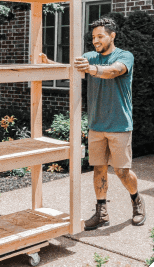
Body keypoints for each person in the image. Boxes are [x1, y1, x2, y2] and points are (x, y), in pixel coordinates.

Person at [42, 16, 145, 230]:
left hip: (119, 124)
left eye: (100, 36)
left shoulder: (125, 56)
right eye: (93, 36)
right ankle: (101, 212)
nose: (95, 40)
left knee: (121, 171)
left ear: (112, 36)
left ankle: (137, 201)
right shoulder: (91, 56)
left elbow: (114, 71)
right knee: (98, 169)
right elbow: (72, 68)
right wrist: (50, 64)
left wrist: (91, 69)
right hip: (96, 124)